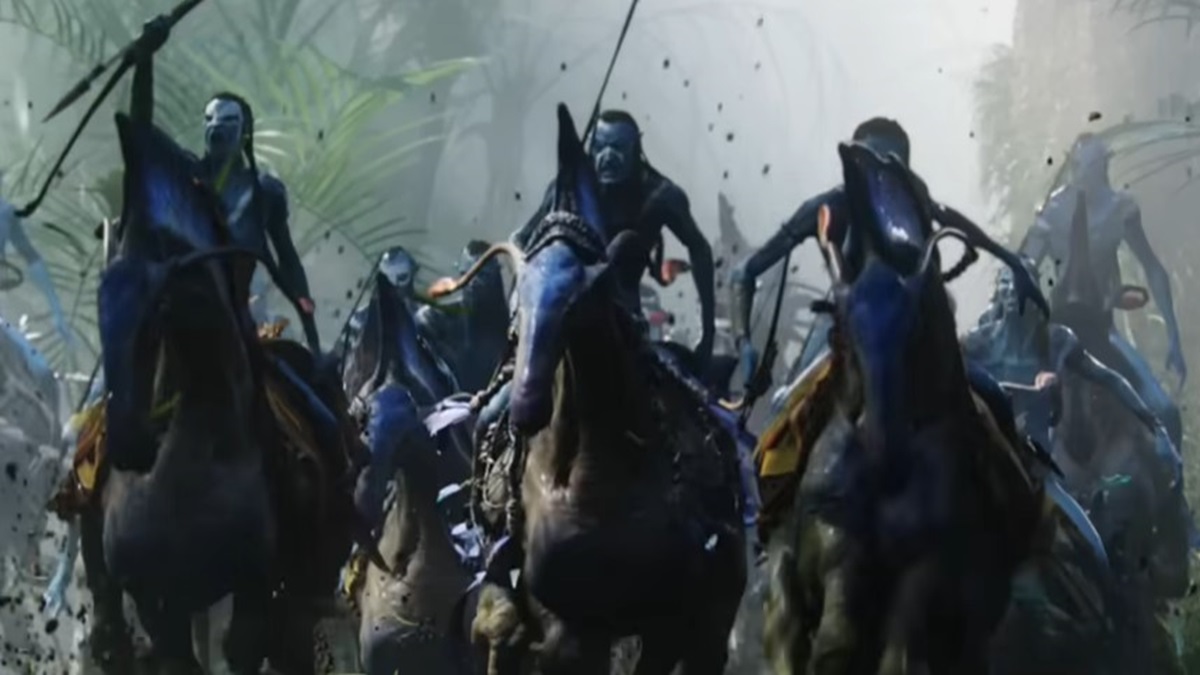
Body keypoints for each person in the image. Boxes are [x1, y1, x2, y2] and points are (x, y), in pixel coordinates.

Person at [731, 117, 1048, 395]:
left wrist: (1015, 265)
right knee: (786, 406)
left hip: (917, 335)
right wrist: (743, 342)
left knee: (994, 400)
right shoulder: (830, 207)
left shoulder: (916, 203)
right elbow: (744, 273)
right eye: (870, 165)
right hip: (843, 333)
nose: (881, 180)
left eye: (892, 168)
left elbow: (956, 223)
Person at [512, 109, 716, 368]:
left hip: (626, 322)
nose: (608, 156)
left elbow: (699, 249)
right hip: (565, 321)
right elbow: (521, 241)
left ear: (635, 149)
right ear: (591, 148)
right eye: (600, 147)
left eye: (618, 147)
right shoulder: (567, 189)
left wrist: (707, 334)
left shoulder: (660, 196)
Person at [1019, 132, 1183, 449]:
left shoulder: (1119, 210)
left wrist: (1173, 335)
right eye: (1084, 167)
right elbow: (1024, 270)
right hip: (1059, 334)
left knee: (1165, 413)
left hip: (1103, 331)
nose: (1090, 175)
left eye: (1095, 167)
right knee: (1030, 429)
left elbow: (1153, 268)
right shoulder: (1053, 212)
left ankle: (1172, 476)